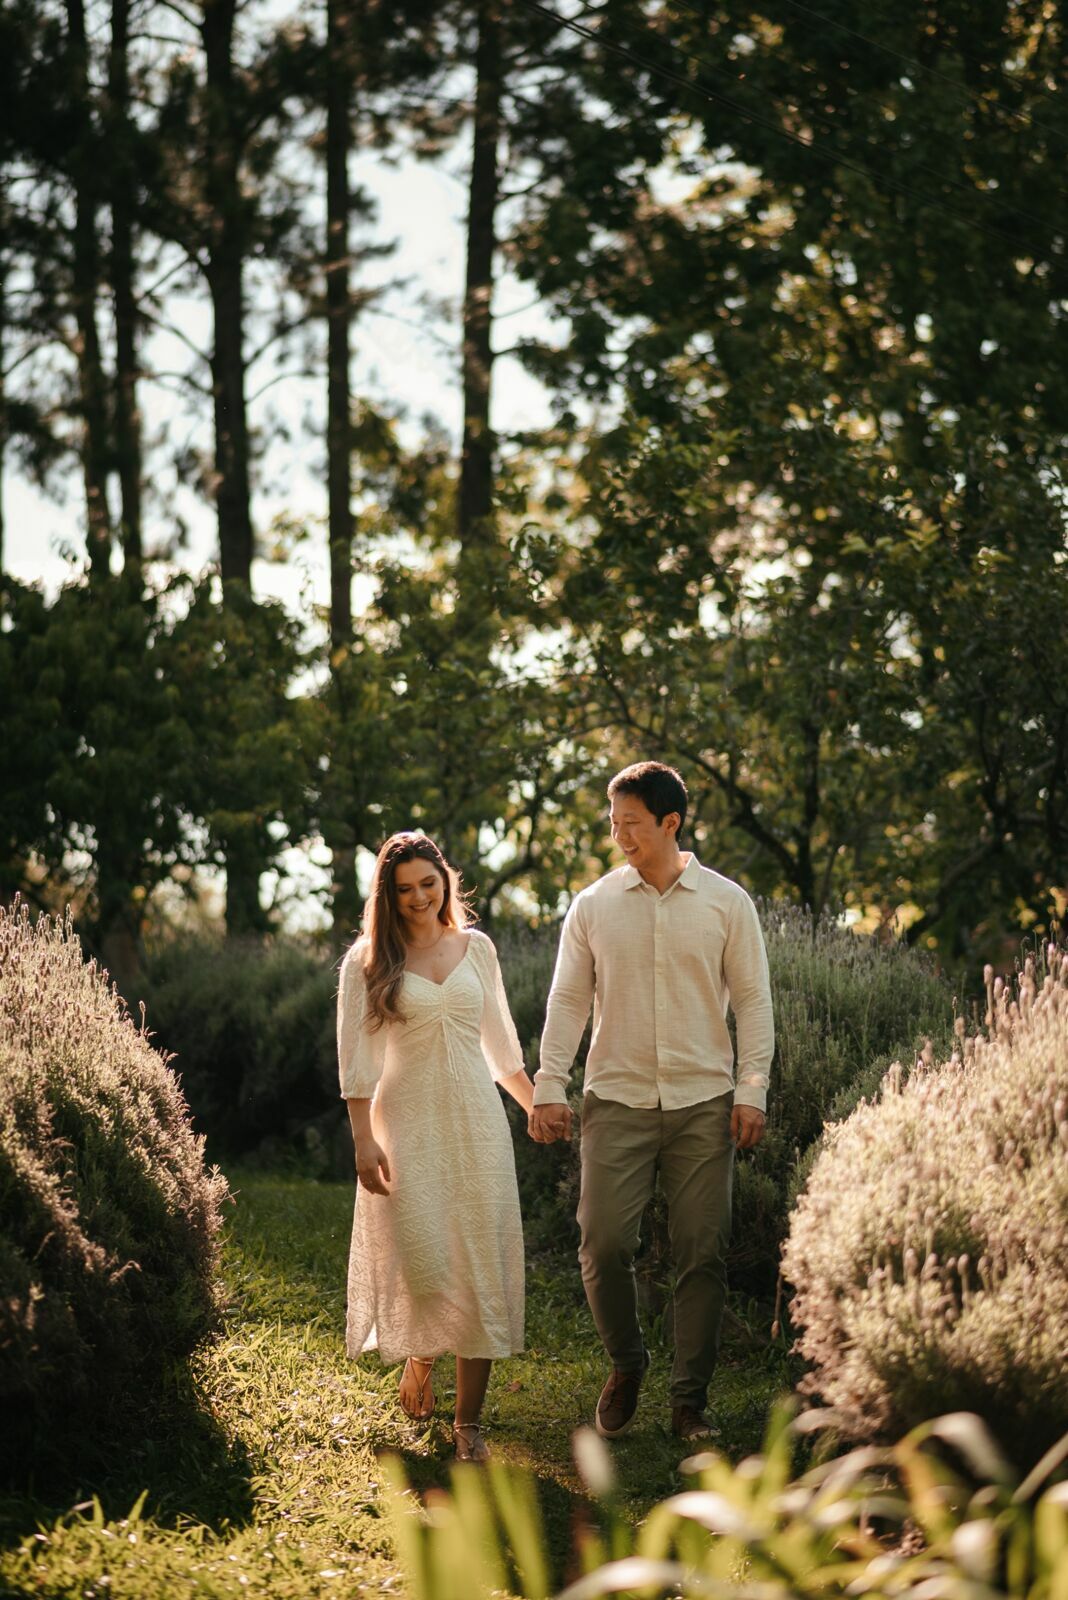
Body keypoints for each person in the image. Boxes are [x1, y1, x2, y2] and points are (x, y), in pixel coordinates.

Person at [528, 761, 774, 1443]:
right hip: (617, 1098)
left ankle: (689, 1402)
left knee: (703, 1250)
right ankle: (627, 1363)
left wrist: (751, 1088)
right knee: (602, 1240)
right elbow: (569, 999)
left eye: (631, 824)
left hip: (704, 1101)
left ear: (671, 823)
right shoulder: (594, 905)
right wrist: (550, 1083)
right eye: (614, 824)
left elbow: (753, 1000)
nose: (620, 837)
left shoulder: (728, 903)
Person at [337, 831, 533, 1463]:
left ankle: (468, 1424)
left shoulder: (477, 950)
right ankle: (421, 1355)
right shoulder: (368, 962)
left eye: (429, 882)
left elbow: (501, 1050)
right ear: (387, 897)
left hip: (478, 1126)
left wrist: (542, 1109)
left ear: (445, 879)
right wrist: (363, 1140)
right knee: (425, 1258)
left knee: (479, 1264)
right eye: (405, 889)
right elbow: (357, 1061)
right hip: (407, 1127)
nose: (419, 898)